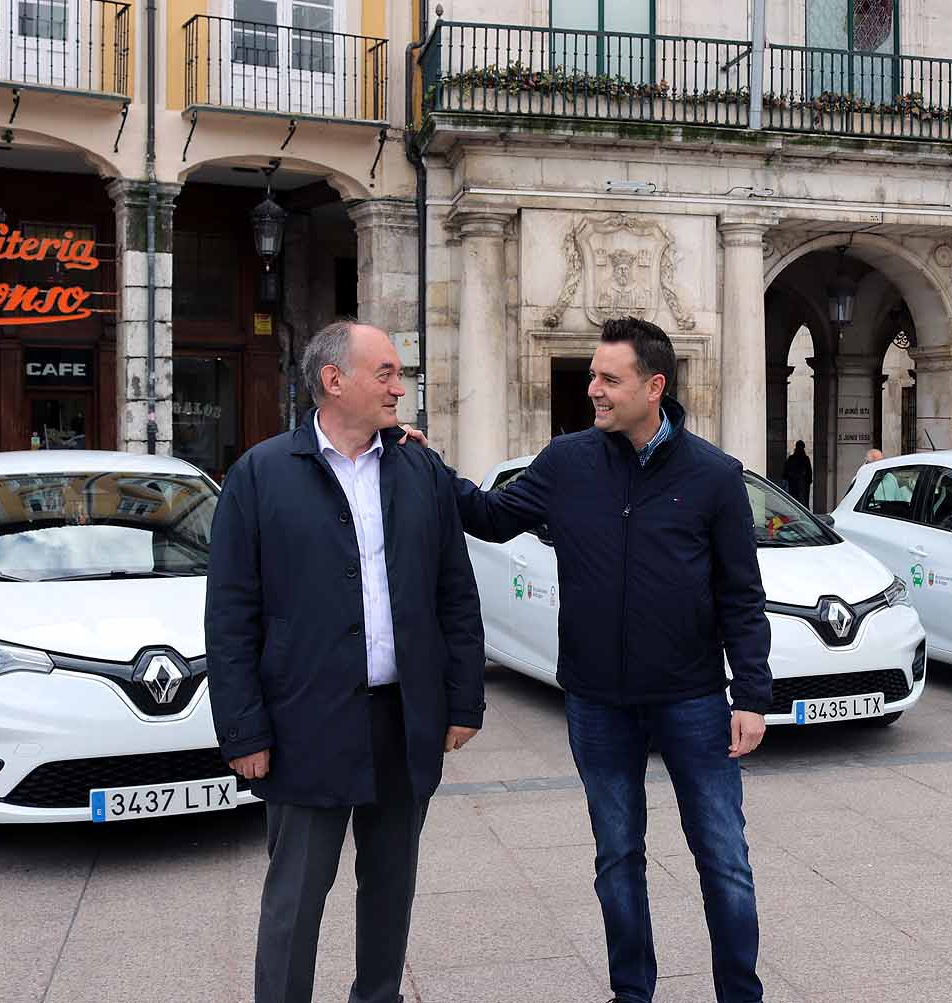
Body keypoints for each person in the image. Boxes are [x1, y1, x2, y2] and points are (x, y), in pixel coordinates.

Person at [445, 316, 772, 1003]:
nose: (592, 388)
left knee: (724, 859)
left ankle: (740, 994)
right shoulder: (567, 462)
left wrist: (751, 693)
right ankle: (632, 993)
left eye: (608, 378)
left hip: (691, 698)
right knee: (617, 857)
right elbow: (491, 515)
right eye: (593, 375)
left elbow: (741, 595)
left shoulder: (713, 476)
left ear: (654, 387)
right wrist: (421, 464)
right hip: (596, 699)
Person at [205, 320, 487, 1003]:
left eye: (399, 373)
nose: (400, 386)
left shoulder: (420, 470)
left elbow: (456, 592)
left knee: (391, 886)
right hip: (305, 722)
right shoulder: (261, 474)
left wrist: (463, 700)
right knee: (296, 898)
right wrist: (243, 730)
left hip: (403, 718)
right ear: (335, 380)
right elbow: (231, 614)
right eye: (386, 372)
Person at [781, 440, 812, 507]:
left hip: (800, 484)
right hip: (796, 484)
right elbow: (786, 472)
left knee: (800, 501)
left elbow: (809, 474)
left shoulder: (803, 459)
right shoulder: (801, 459)